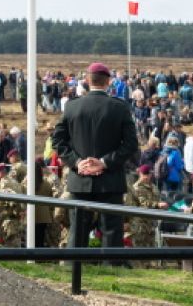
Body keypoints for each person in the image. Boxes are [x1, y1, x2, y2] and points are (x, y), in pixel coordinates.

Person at [50, 62, 139, 263]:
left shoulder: (72, 107)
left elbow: (57, 141)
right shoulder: (120, 107)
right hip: (111, 179)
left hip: (80, 179)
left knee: (78, 230)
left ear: (88, 81)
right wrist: (105, 163)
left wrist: (77, 163)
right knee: (111, 232)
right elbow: (131, 144)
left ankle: (74, 270)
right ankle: (111, 272)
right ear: (108, 82)